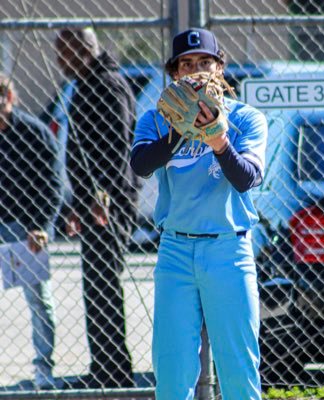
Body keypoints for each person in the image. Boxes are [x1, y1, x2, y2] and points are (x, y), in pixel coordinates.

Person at [130, 28, 268, 400]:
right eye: (186, 64)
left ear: (220, 67)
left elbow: (247, 179)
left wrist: (218, 140)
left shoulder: (246, 118)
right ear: (174, 73)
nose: (195, 70)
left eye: (204, 62)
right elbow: (141, 165)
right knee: (173, 372)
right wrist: (178, 132)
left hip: (229, 250)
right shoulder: (157, 119)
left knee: (238, 369)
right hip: (175, 251)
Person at [54, 28, 138, 389]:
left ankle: (115, 372)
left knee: (104, 282)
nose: (60, 62)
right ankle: (103, 368)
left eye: (65, 53)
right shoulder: (86, 83)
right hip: (91, 202)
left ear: (84, 50)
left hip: (110, 202)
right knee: (95, 284)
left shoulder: (107, 85)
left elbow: (119, 146)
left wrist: (102, 195)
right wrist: (78, 202)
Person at [0, 73, 63, 389]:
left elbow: (53, 183)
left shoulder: (33, 132)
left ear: (9, 99)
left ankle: (43, 370)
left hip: (25, 228)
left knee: (39, 299)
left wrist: (41, 226)